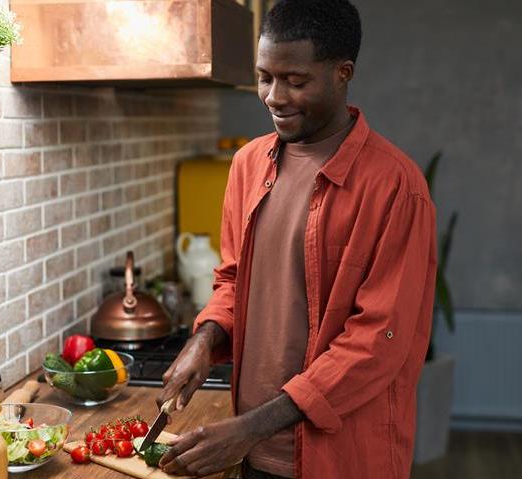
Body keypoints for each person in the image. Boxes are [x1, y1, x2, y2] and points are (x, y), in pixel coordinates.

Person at [156, 0, 438, 478]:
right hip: (250, 451)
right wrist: (205, 340)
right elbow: (233, 280)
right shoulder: (248, 165)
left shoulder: (396, 186)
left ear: (342, 72)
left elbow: (376, 343)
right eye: (265, 77)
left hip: (342, 457)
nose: (273, 96)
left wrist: (251, 427)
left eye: (296, 80)